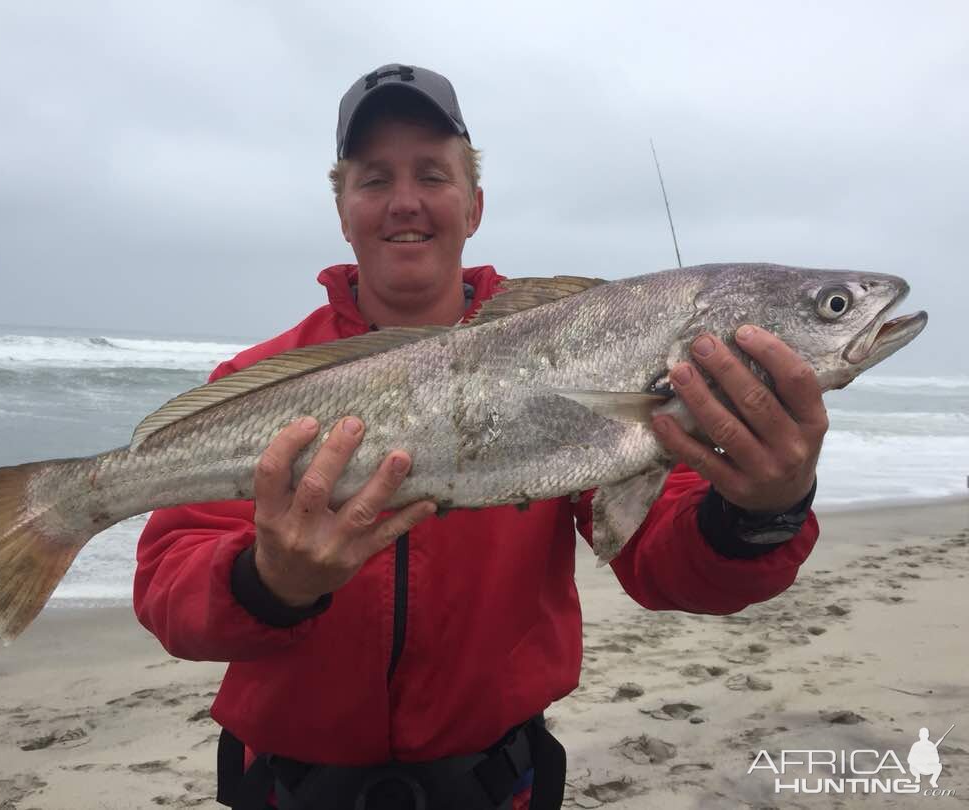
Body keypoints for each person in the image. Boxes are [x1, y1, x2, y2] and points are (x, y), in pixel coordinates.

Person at [134, 64, 824, 810]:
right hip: (284, 791)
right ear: (342, 210)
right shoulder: (259, 379)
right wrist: (269, 584)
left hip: (499, 787)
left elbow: (666, 563)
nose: (405, 202)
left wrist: (765, 511)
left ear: (475, 205)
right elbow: (168, 586)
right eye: (374, 179)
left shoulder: (584, 344)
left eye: (433, 174)